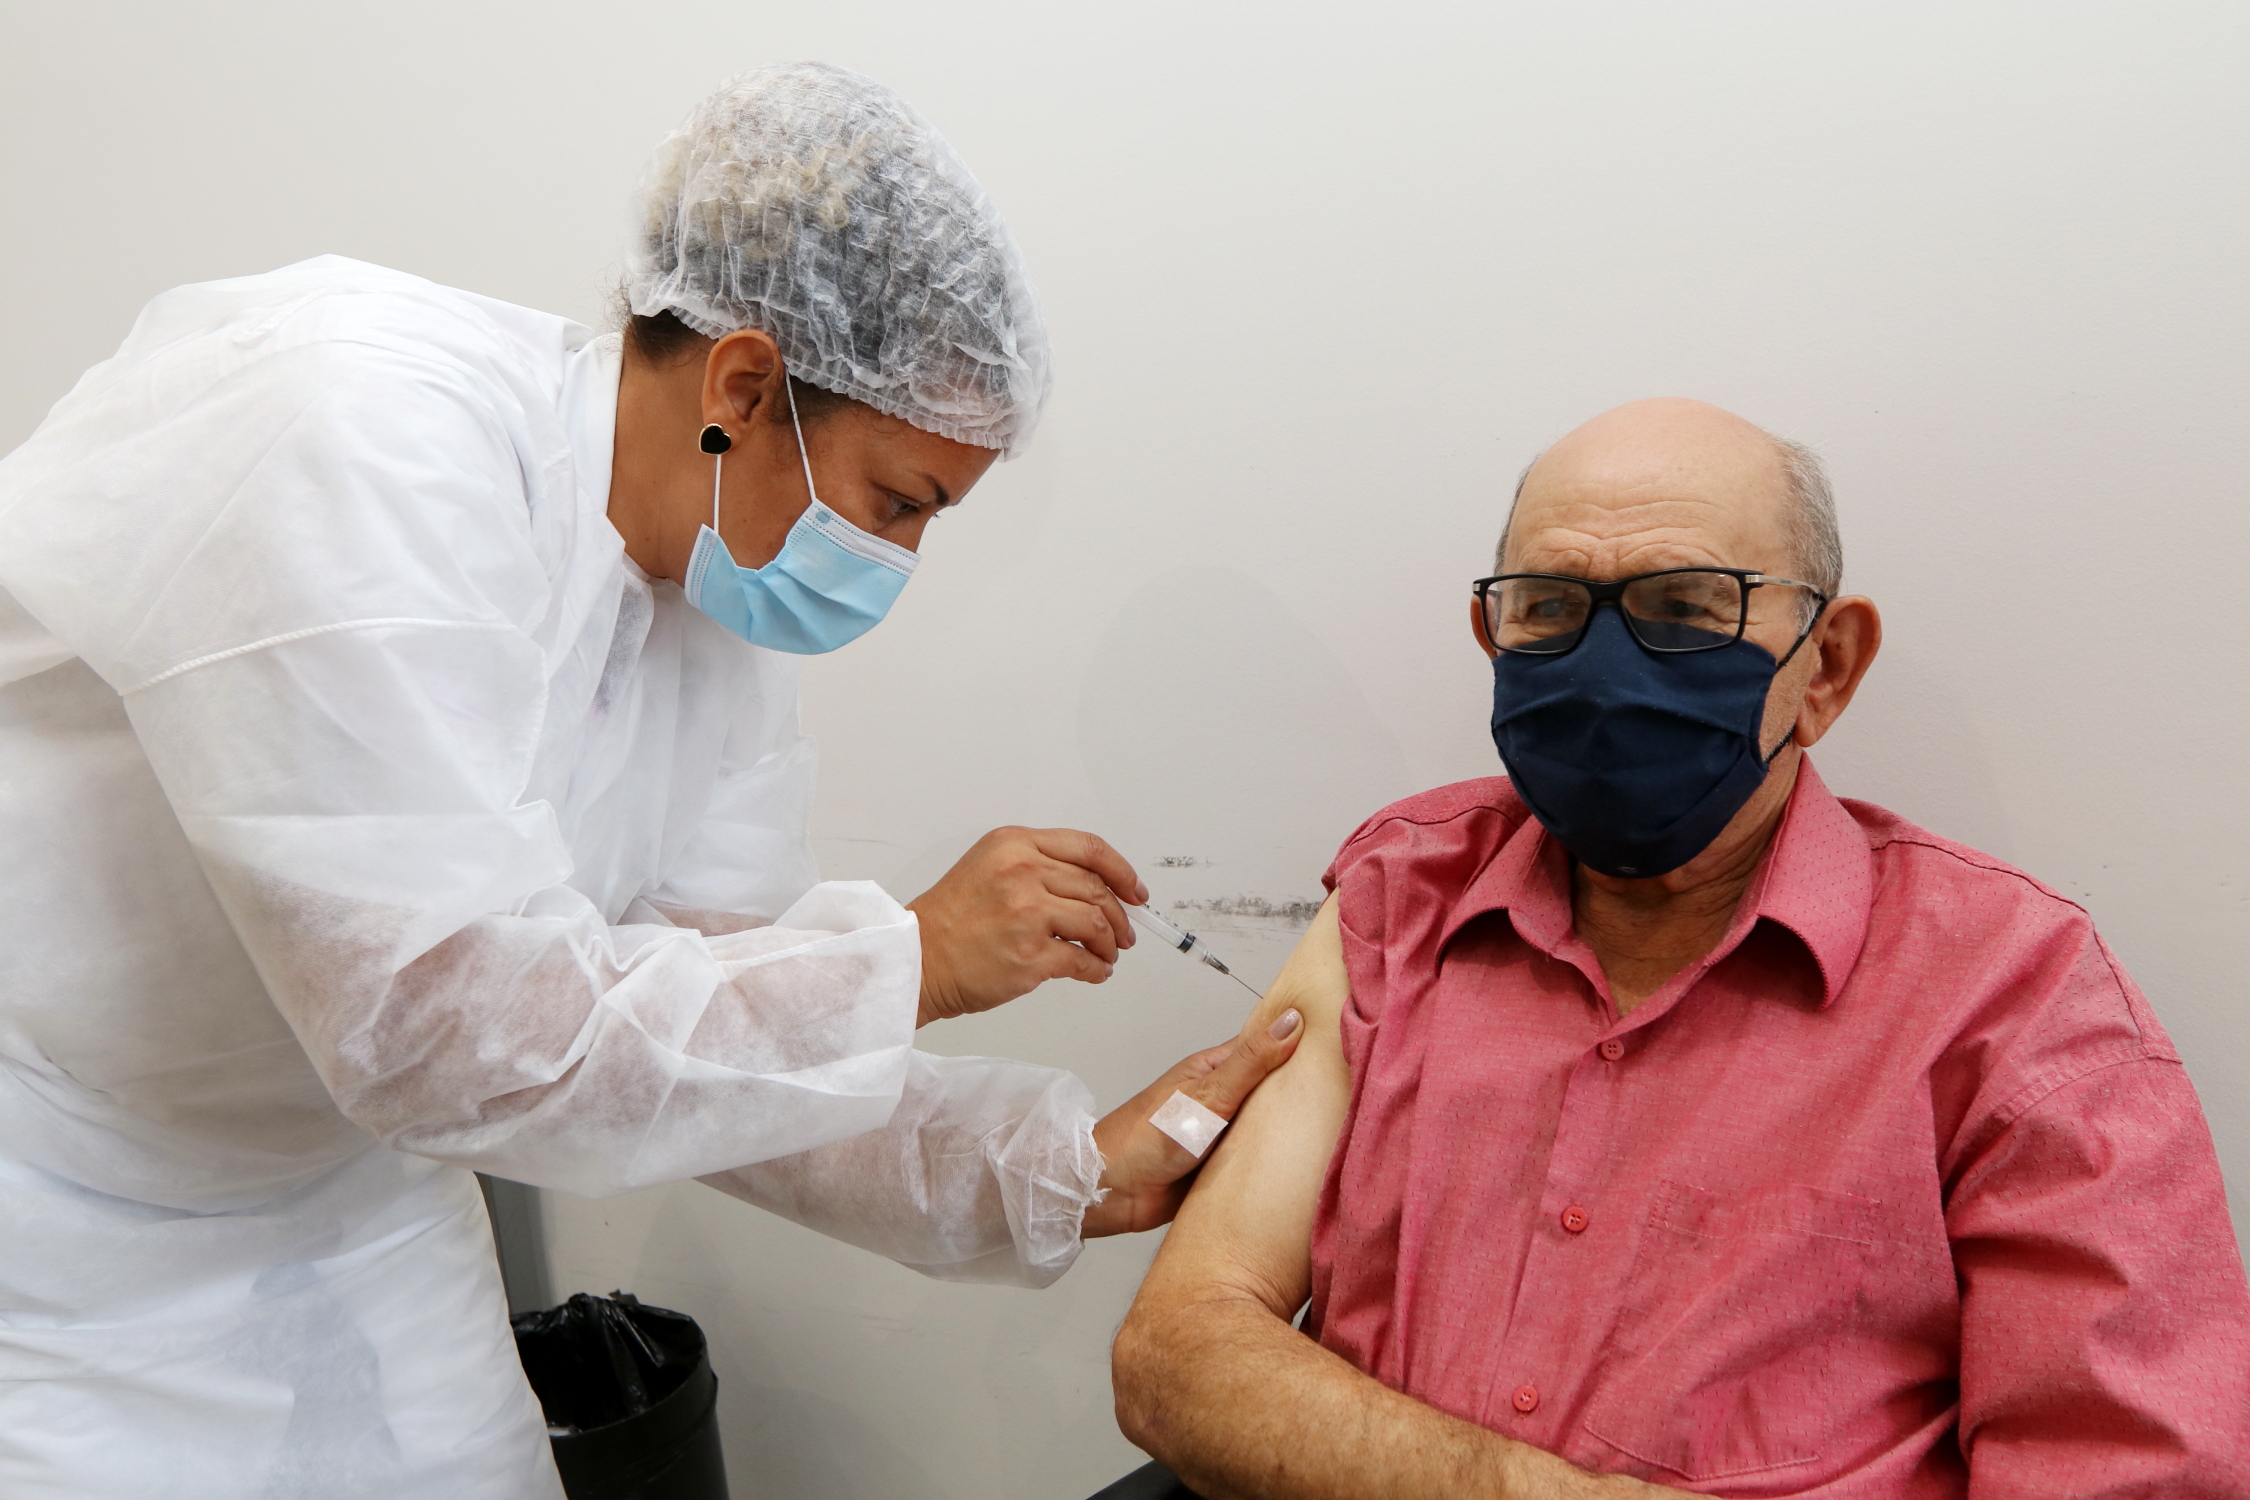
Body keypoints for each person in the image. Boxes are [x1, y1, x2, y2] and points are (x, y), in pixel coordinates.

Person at [0, 64, 1297, 1499]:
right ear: (745, 383)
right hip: (53, 1209)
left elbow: (677, 1047)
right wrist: (911, 958)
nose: (895, 566)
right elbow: (443, 1029)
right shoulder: (361, 439)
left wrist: (1050, 1165)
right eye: (895, 502)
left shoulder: (707, 603)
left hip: (344, 1189)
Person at [1110, 398, 2250, 1497]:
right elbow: (1180, 1357)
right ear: (1491, 633)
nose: (1607, 670)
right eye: (1550, 606)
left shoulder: (2014, 1003)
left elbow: (2130, 1475)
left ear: (1828, 667)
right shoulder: (1403, 900)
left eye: (1688, 606)